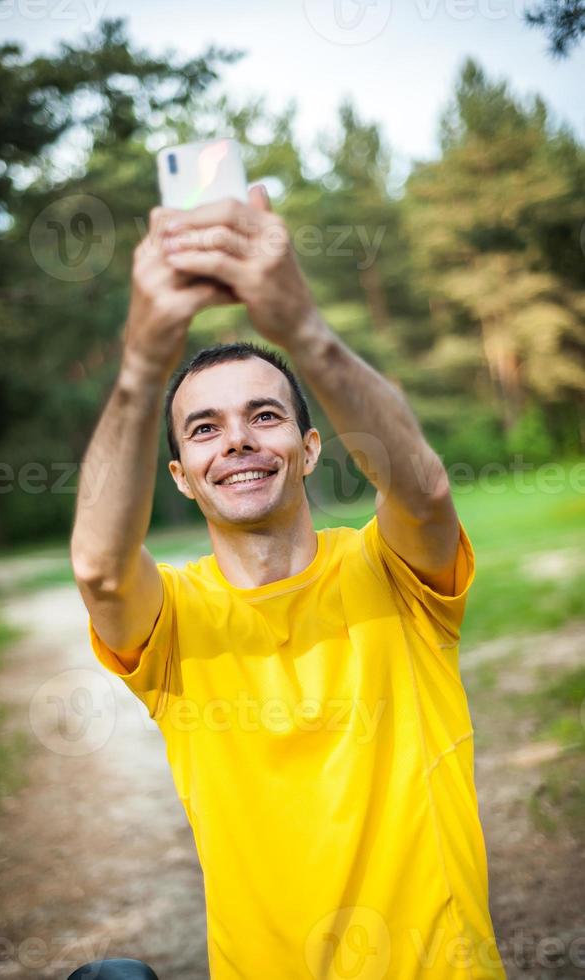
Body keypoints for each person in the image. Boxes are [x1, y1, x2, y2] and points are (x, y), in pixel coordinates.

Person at [69, 186, 507, 979]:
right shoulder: (173, 622)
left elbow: (425, 492)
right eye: (205, 429)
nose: (236, 441)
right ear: (182, 477)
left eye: (264, 417)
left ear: (309, 449)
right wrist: (140, 361)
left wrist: (300, 326)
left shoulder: (395, 573)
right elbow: (100, 570)